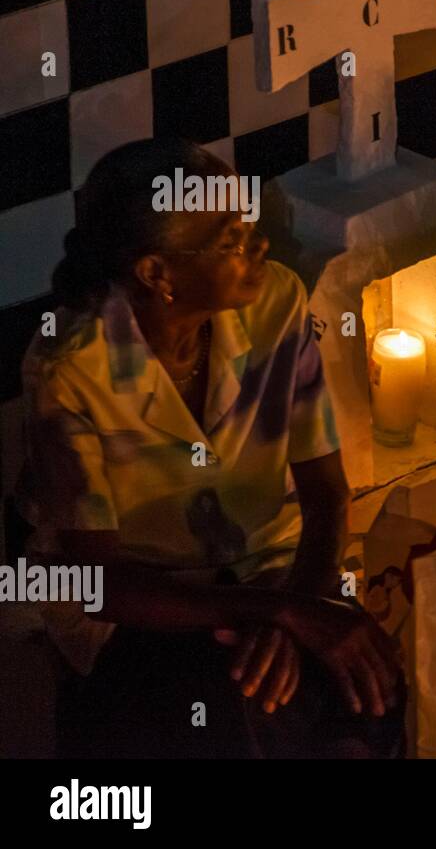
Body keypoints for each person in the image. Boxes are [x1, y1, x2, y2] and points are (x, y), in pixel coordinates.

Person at [18, 137, 404, 758]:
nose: (260, 247)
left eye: (248, 226)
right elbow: (99, 581)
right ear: (157, 274)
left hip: (268, 570)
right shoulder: (70, 370)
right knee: (231, 714)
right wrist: (283, 615)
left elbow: (327, 492)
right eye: (230, 242)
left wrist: (297, 610)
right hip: (149, 599)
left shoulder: (276, 302)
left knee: (371, 682)